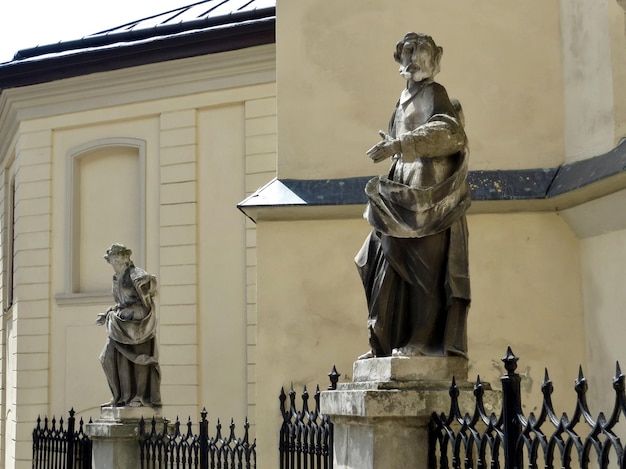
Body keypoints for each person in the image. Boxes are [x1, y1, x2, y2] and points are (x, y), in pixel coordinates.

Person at [355, 33, 471, 359]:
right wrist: (394, 146)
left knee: (424, 274)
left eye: (423, 52)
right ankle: (381, 342)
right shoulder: (403, 98)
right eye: (410, 51)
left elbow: (450, 133)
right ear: (400, 59)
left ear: (436, 59)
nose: (417, 59)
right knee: (378, 261)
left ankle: (421, 341)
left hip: (429, 198)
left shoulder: (436, 93)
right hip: (399, 193)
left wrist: (399, 145)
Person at [96, 244, 161, 407]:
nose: (115, 259)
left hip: (137, 322)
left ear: (125, 258)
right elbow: (121, 303)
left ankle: (139, 397)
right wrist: (108, 312)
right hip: (120, 321)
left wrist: (148, 281)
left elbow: (151, 282)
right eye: (112, 256)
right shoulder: (116, 278)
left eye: (117, 255)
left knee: (139, 359)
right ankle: (121, 397)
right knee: (108, 357)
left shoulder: (134, 273)